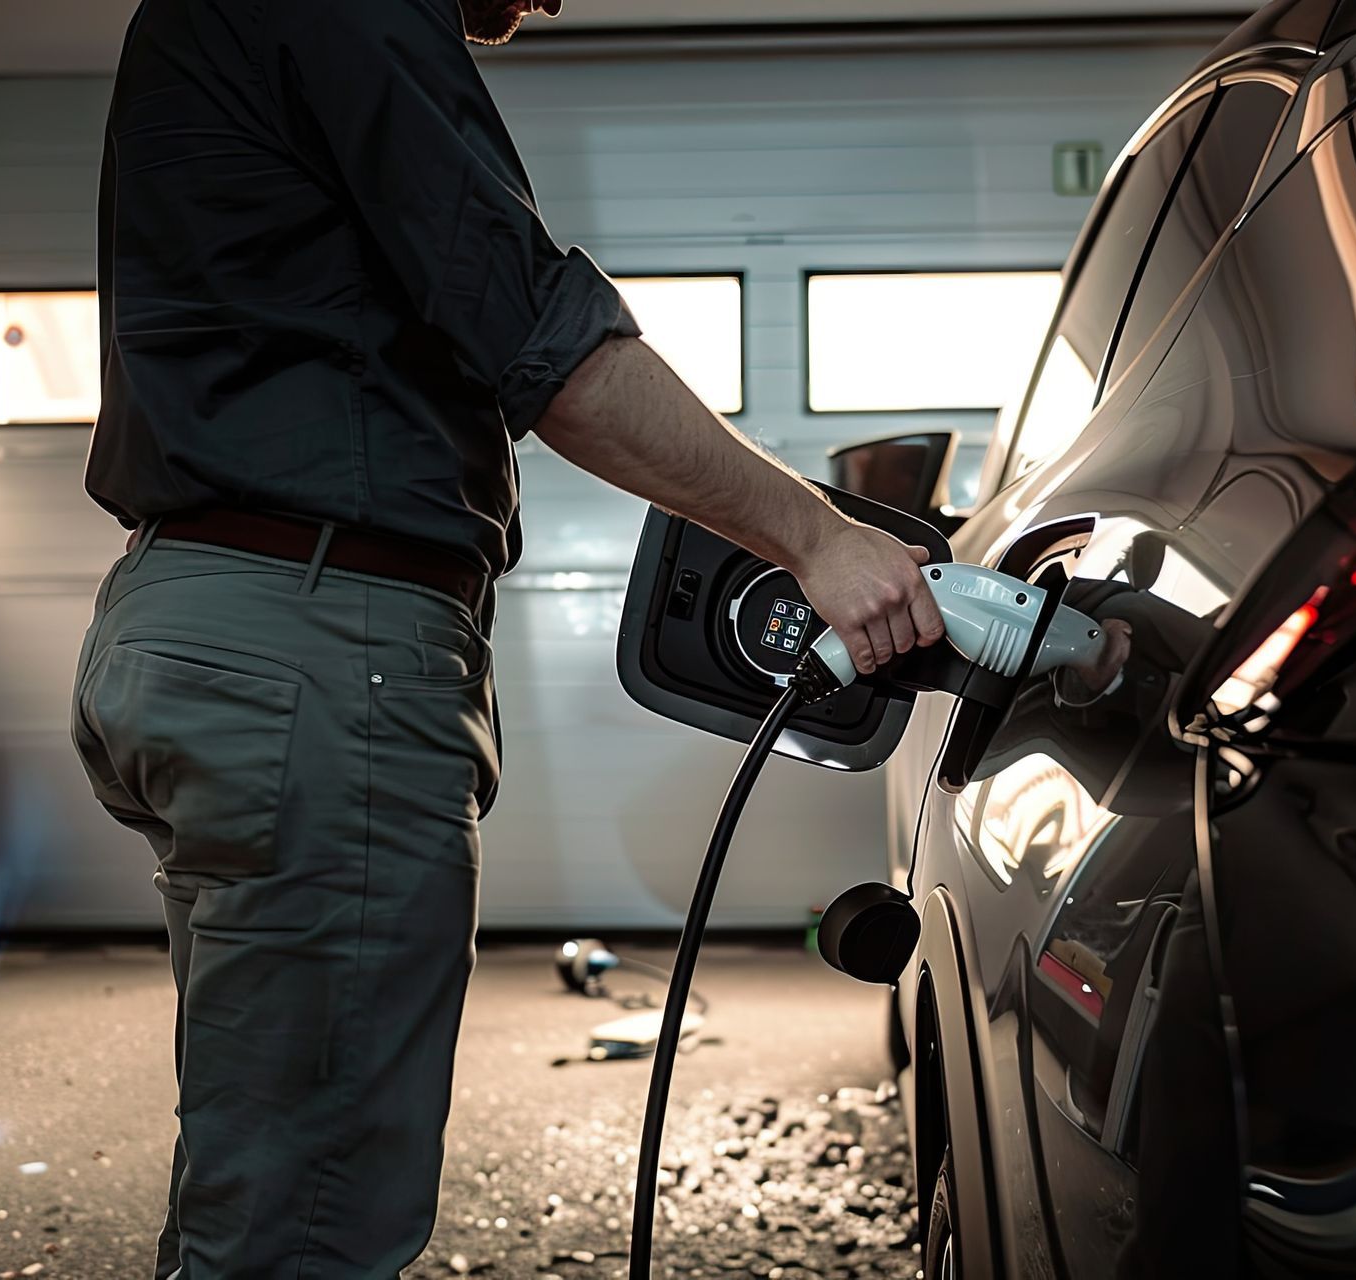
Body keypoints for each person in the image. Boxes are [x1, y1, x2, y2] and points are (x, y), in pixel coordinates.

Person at [68, 1, 944, 1275]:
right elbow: (545, 338)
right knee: (307, 1228)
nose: (541, 1)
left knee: (258, 1181)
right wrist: (819, 538)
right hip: (313, 647)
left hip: (201, 622)